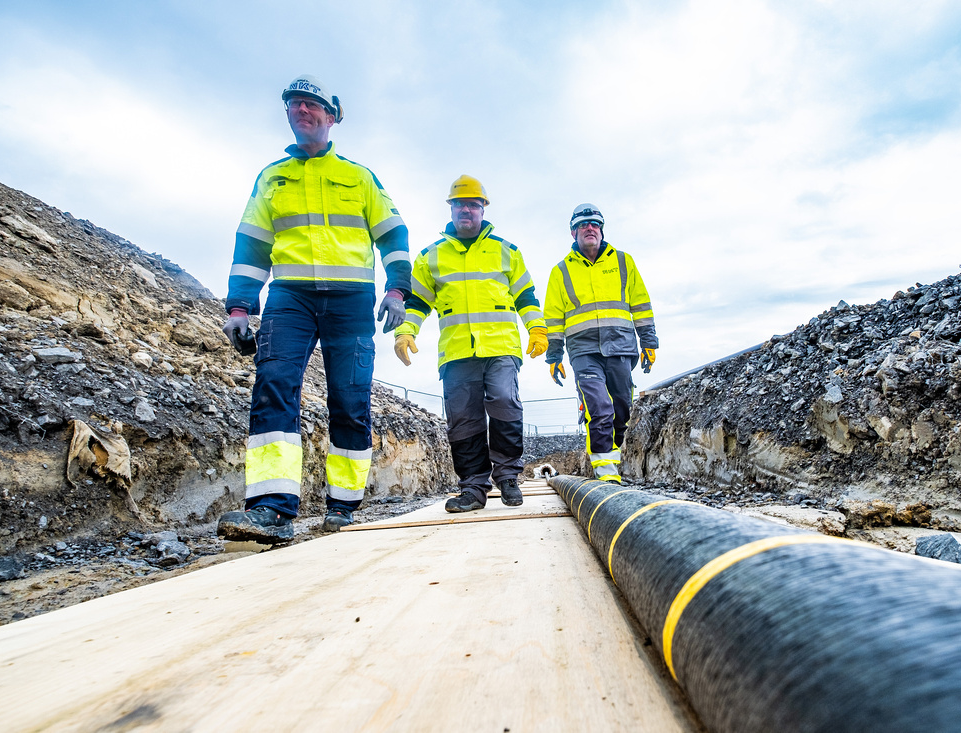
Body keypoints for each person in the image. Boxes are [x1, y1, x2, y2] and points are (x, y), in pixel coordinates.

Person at [217, 74, 411, 543]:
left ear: (330, 115)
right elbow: (252, 246)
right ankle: (270, 509)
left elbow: (393, 235)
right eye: (294, 105)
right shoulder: (272, 178)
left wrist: (397, 290)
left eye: (310, 104)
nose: (302, 110)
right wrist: (240, 306)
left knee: (350, 400)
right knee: (275, 386)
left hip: (350, 301)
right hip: (290, 299)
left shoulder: (359, 177)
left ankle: (342, 506)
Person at [393, 175, 547, 512]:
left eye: (473, 204)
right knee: (464, 421)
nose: (467, 209)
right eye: (460, 204)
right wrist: (406, 331)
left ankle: (507, 477)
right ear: (451, 208)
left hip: (501, 347)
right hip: (457, 351)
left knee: (506, 402)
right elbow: (418, 302)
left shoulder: (507, 252)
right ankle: (474, 489)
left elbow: (526, 296)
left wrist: (537, 329)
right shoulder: (431, 256)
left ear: (483, 209)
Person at [543, 204, 657, 484]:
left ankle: (617, 460)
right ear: (573, 232)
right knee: (599, 407)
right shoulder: (561, 271)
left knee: (621, 410)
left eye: (594, 224)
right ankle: (606, 474)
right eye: (583, 225)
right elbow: (554, 317)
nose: (589, 228)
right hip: (583, 351)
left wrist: (649, 342)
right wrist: (554, 355)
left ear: (601, 229)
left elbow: (641, 305)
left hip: (620, 347)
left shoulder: (623, 261)